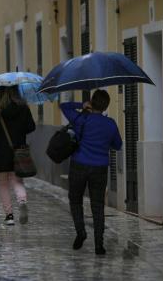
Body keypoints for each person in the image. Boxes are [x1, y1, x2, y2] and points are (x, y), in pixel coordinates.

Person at [60, 89, 122, 254]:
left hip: (79, 164)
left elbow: (64, 106)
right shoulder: (110, 124)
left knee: (75, 200)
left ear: (92, 102)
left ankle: (81, 232)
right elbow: (118, 145)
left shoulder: (82, 119)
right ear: (106, 105)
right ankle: (99, 244)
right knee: (98, 205)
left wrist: (81, 105)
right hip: (100, 168)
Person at [0, 86, 36, 226]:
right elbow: (31, 127)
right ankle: (22, 200)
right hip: (17, 151)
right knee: (17, 181)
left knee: (3, 184)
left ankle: (9, 216)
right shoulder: (23, 107)